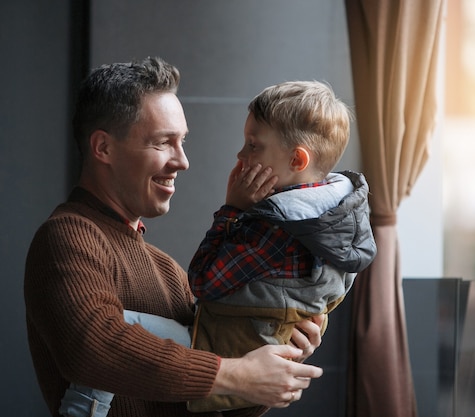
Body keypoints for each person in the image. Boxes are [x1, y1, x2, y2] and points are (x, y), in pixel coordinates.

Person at [23, 57, 324, 417]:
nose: (182, 161)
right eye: (164, 142)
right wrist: (233, 374)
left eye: (182, 142)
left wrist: (272, 355)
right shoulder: (68, 236)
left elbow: (215, 406)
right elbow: (91, 346)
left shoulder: (167, 270)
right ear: (103, 148)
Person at [186, 81, 377, 412]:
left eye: (253, 145)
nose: (241, 155)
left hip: (222, 351)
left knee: (131, 330)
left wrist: (232, 211)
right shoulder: (338, 215)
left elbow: (203, 281)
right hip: (263, 354)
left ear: (297, 159)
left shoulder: (275, 226)